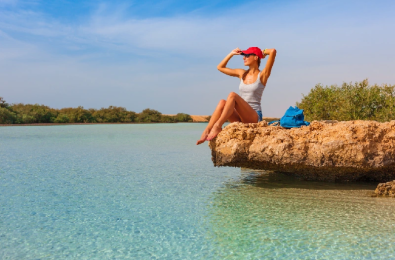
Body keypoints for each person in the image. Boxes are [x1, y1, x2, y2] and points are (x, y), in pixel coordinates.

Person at [196, 46, 277, 145]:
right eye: (243, 55)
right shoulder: (242, 73)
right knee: (222, 102)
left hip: (254, 116)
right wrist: (231, 54)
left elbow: (272, 51)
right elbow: (220, 67)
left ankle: (218, 126)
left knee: (232, 95)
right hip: (240, 117)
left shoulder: (263, 75)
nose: (244, 57)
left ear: (256, 57)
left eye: (247, 55)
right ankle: (207, 130)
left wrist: (261, 52)